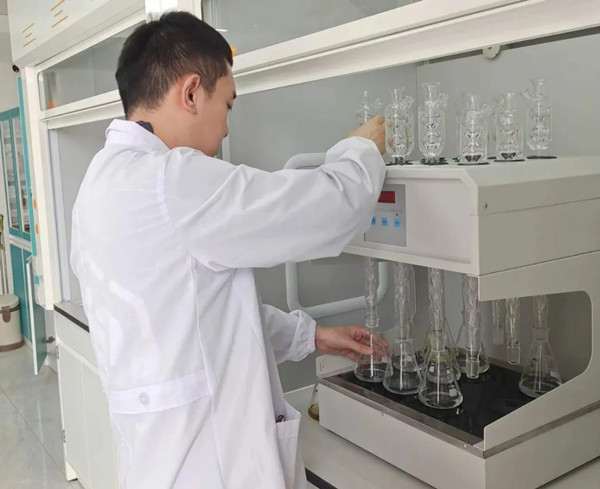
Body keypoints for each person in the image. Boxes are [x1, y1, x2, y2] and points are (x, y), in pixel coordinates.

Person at [70, 10, 387, 489]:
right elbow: (331, 209)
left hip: (156, 462)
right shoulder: (173, 183)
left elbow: (195, 319)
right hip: (209, 466)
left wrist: (312, 335)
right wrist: (361, 150)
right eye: (228, 104)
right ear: (191, 92)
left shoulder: (99, 185)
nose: (224, 129)